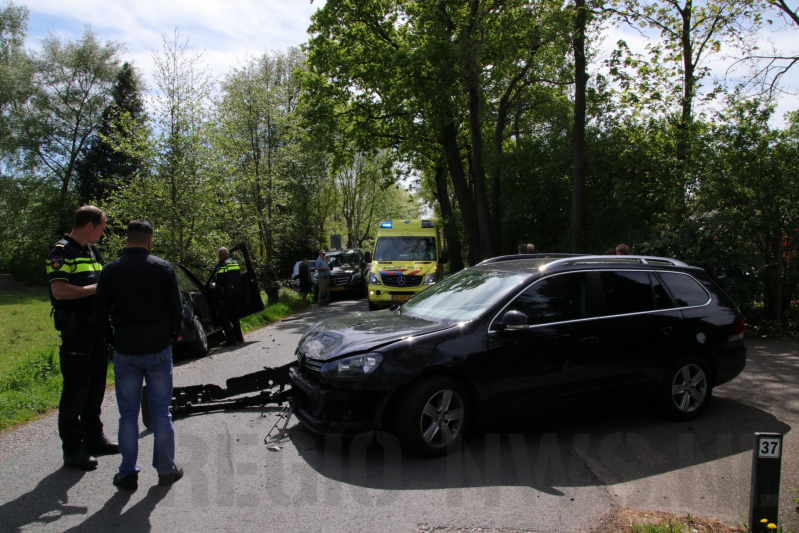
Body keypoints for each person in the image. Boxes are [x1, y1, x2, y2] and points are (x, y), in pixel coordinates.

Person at [94, 220, 184, 490]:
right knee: (161, 413)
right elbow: (177, 310)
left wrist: (112, 340)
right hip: (157, 349)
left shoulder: (110, 270)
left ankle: (128, 472)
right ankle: (166, 469)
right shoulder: (163, 268)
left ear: (126, 241)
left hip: (126, 350)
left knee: (128, 416)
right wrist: (168, 338)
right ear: (150, 241)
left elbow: (99, 313)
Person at [47, 205, 118, 470]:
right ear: (89, 226)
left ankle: (94, 438)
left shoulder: (91, 250)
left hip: (96, 330)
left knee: (96, 387)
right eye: (101, 228)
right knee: (76, 391)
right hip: (76, 332)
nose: (102, 233)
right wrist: (99, 288)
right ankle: (73, 449)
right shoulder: (61, 251)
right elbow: (60, 291)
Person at [212, 247, 245, 346]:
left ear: (220, 256)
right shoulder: (234, 262)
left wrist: (215, 286)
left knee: (223, 316)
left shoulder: (222, 264)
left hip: (228, 293)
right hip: (238, 292)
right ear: (228, 253)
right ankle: (239, 338)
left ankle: (231, 339)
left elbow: (219, 281)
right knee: (234, 315)